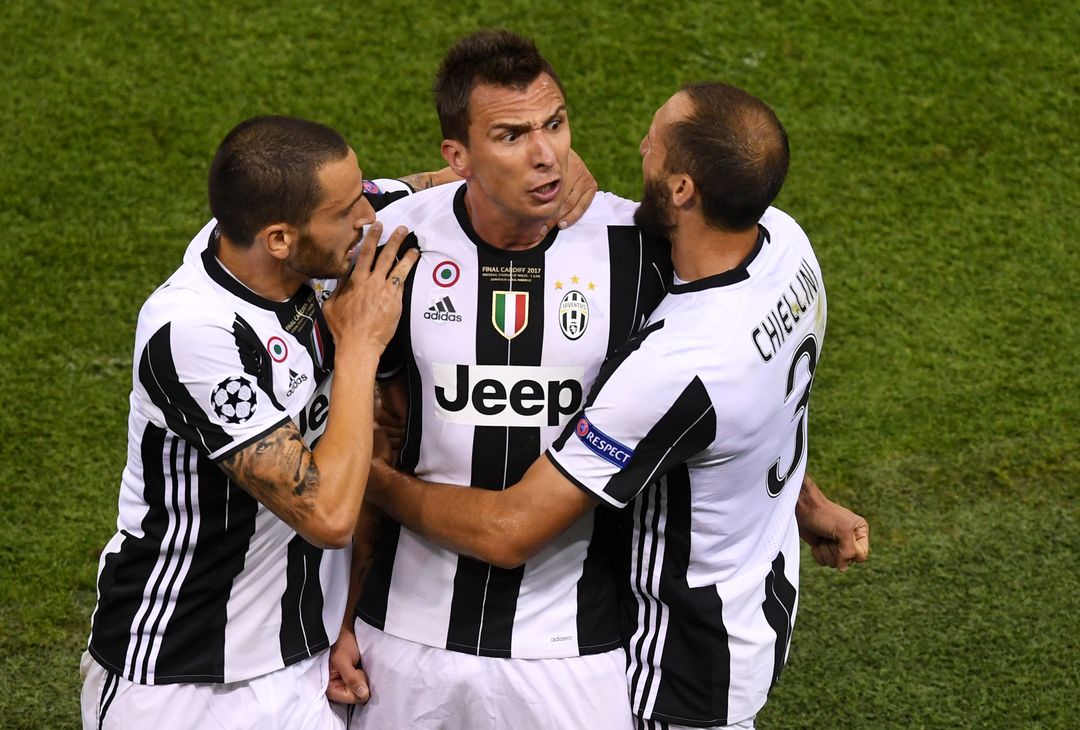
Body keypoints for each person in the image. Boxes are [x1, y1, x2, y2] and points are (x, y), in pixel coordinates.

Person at [330, 30, 866, 729]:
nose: (548, 154)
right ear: (456, 156)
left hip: (576, 655)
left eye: (555, 125)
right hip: (401, 639)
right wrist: (339, 618)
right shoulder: (388, 243)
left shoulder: (643, 252)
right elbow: (249, 228)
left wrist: (358, 479)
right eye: (513, 135)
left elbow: (722, 400)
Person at [79, 115, 419, 729]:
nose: (368, 219)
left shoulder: (288, 235)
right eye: (347, 211)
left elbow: (434, 185)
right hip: (178, 680)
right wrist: (361, 345)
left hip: (302, 663)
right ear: (280, 239)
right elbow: (328, 516)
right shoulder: (196, 334)